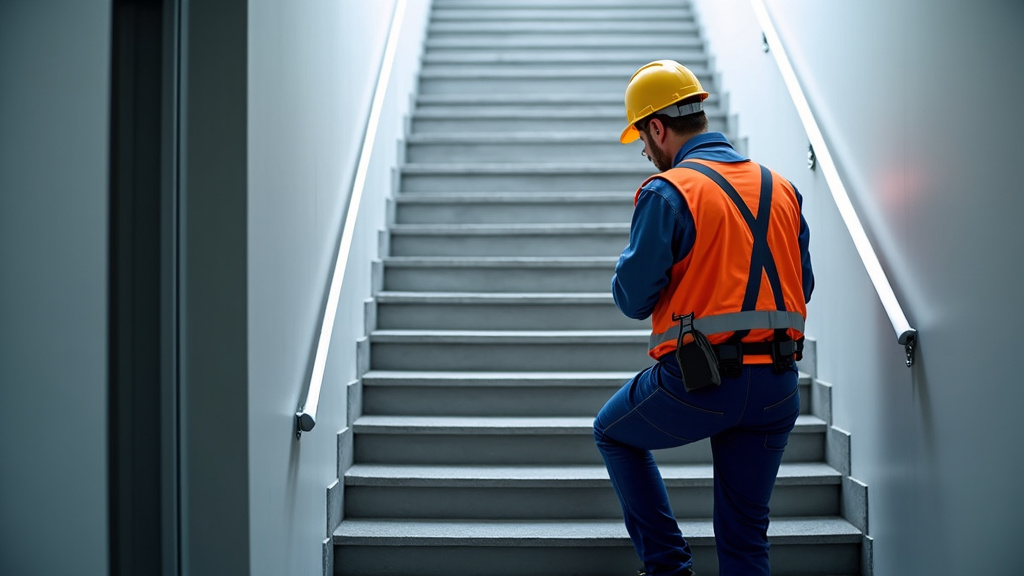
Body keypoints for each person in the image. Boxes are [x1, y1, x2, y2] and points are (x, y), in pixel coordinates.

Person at [593, 60, 814, 576]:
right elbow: (800, 286)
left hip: (698, 385)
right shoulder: (781, 188)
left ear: (657, 127)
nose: (646, 154)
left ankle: (669, 568)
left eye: (643, 141)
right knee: (744, 538)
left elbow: (632, 298)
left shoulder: (668, 191)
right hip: (779, 389)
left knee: (613, 432)